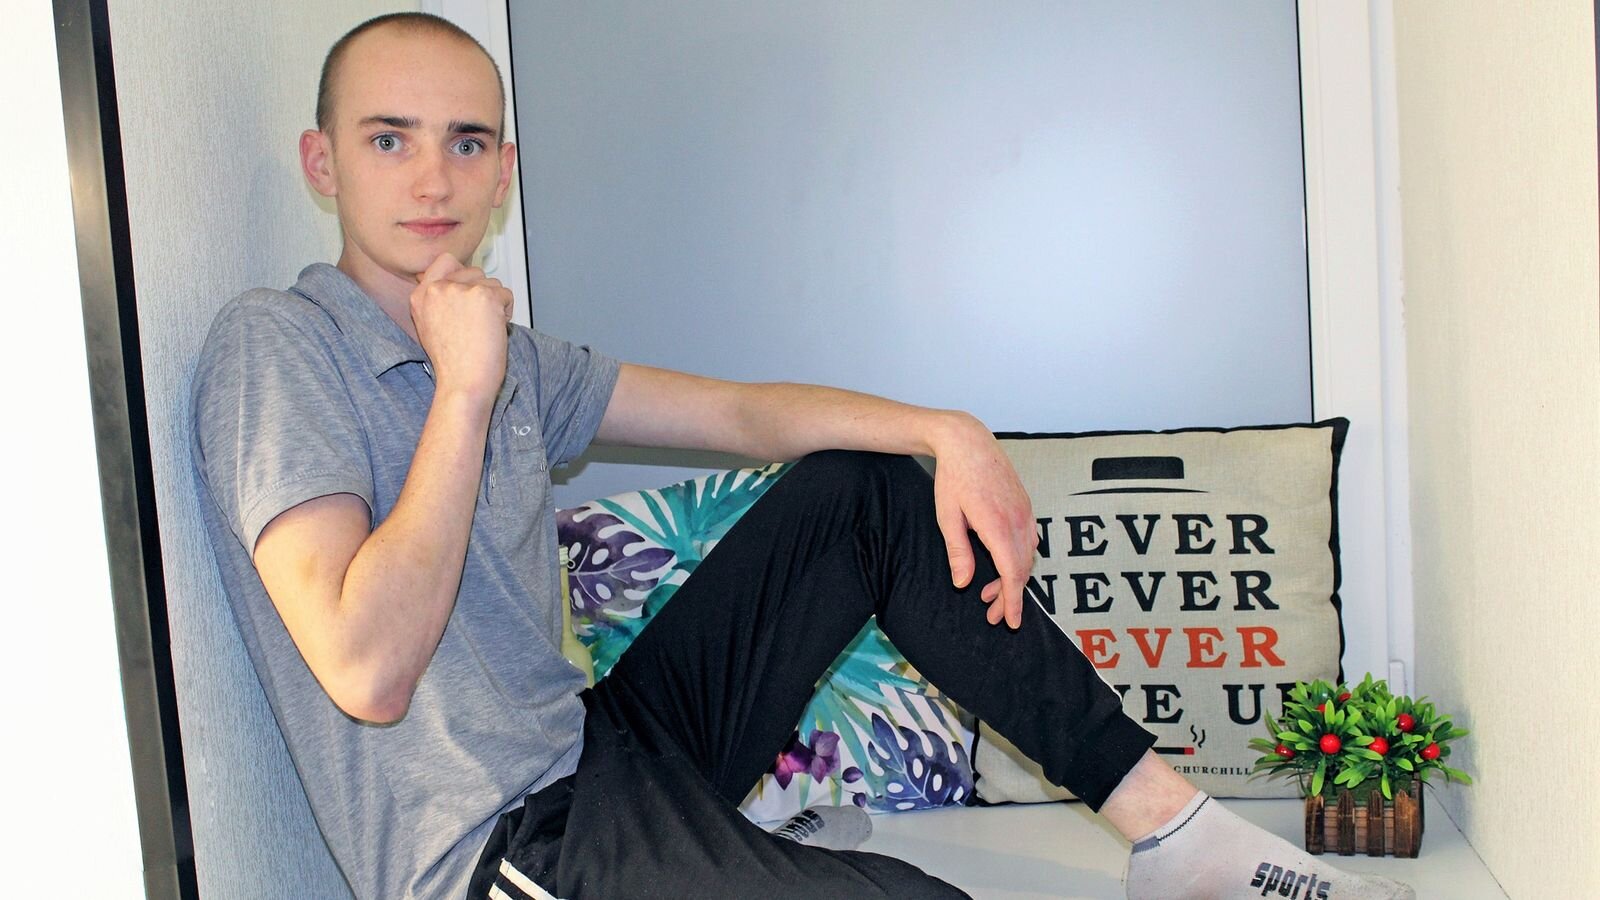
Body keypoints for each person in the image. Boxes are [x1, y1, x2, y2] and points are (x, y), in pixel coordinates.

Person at [190, 12, 1416, 900]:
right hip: (500, 846)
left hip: (606, 751)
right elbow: (366, 670)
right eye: (389, 140)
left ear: (504, 171)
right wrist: (463, 393)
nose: (432, 178)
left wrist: (942, 429)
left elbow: (740, 417)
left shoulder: (511, 351)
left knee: (863, 489)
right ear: (322, 162)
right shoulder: (278, 347)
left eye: (466, 143)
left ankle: (1178, 838)